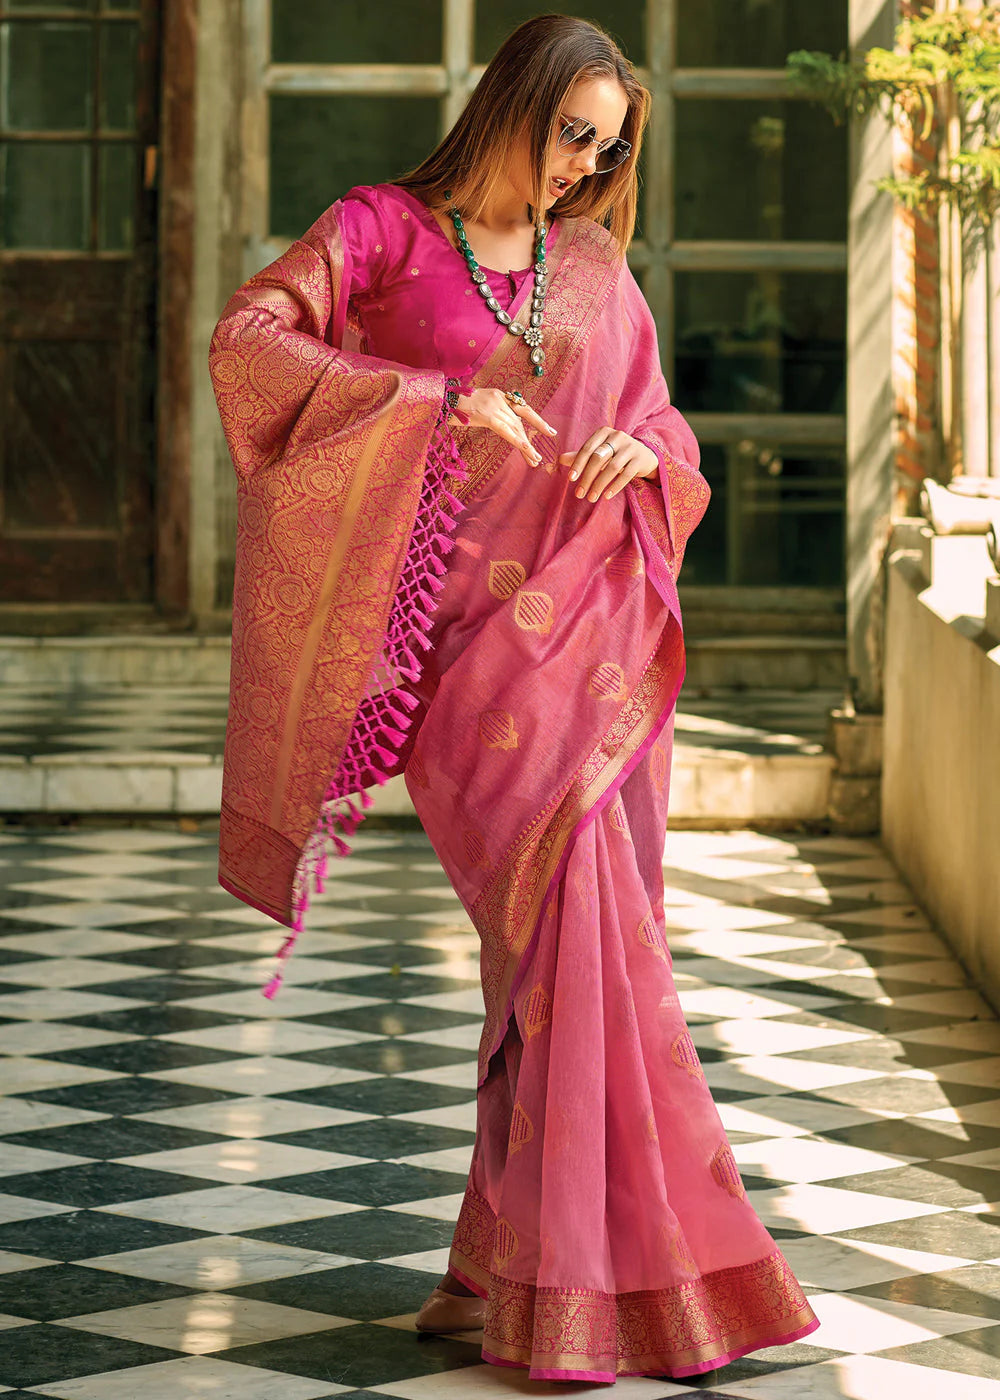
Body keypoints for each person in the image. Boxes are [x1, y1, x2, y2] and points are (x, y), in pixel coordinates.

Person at [208, 12, 819, 1384]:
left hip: (590, 638)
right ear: (511, 103)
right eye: (569, 132)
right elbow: (247, 344)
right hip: (457, 658)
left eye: (604, 148)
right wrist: (431, 403)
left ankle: (517, 1274)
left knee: (564, 962)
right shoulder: (376, 233)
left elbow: (667, 428)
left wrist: (631, 450)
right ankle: (609, 1278)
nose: (581, 166)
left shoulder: (594, 265)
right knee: (558, 954)